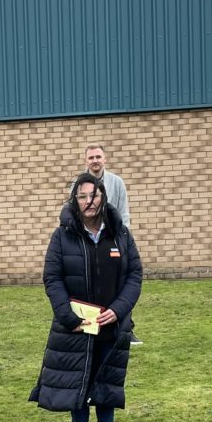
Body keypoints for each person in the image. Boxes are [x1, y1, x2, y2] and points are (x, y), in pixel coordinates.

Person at [30, 172, 143, 422]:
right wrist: (68, 316)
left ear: (103, 197)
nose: (89, 201)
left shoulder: (120, 234)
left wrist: (119, 310)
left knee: (107, 381)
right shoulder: (62, 235)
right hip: (75, 327)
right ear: (75, 200)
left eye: (94, 195)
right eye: (82, 196)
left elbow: (134, 275)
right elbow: (52, 278)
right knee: (76, 382)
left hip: (111, 325)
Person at [83, 143, 141, 347]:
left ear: (105, 159)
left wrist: (123, 239)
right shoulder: (78, 184)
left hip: (113, 240)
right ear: (86, 161)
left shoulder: (117, 182)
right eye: (91, 157)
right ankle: (92, 326)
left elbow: (124, 213)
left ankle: (126, 330)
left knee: (120, 283)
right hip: (89, 241)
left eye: (98, 157)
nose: (95, 161)